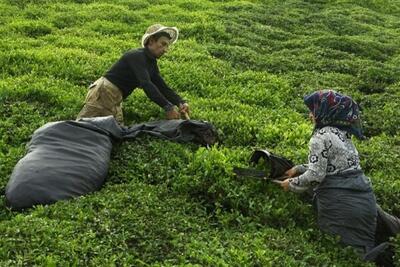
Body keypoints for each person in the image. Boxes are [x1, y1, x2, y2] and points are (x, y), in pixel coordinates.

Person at [277, 90, 400, 265]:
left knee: (347, 259)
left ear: (325, 111)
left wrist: (291, 184)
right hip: (365, 202)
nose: (310, 115)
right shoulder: (343, 134)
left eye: (313, 110)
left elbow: (316, 175)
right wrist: (298, 168)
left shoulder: (319, 138)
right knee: (363, 251)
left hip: (341, 207)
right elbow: (338, 167)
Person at [76, 24, 189, 124]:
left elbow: (162, 86)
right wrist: (168, 107)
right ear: (151, 41)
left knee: (115, 132)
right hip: (104, 92)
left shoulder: (151, 62)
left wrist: (180, 102)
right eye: (163, 44)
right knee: (83, 127)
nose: (165, 49)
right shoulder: (137, 56)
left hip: (115, 96)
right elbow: (146, 84)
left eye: (167, 46)